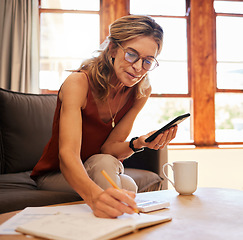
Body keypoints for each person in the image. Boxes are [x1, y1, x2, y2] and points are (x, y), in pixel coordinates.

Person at [31, 15, 177, 218]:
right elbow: (67, 155)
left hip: (97, 166)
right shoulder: (78, 83)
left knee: (126, 183)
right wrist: (95, 197)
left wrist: (140, 142)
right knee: (109, 170)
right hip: (55, 174)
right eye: (131, 55)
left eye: (147, 61)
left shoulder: (140, 92)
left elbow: (110, 148)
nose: (138, 68)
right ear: (113, 49)